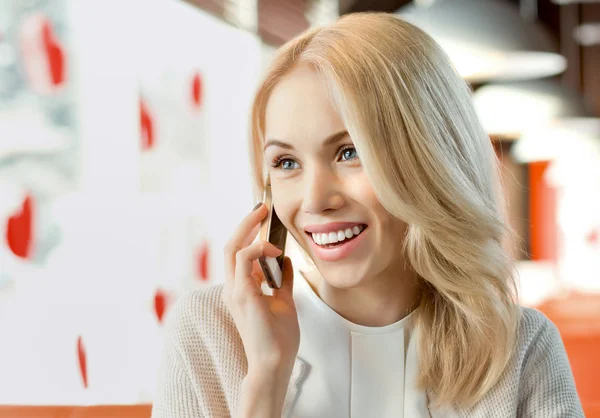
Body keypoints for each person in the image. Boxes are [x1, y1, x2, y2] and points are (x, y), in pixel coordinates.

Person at [151, 12, 584, 418]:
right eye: (286, 163)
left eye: (349, 152)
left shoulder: (519, 346)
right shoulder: (209, 331)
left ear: (429, 160)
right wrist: (265, 378)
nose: (315, 199)